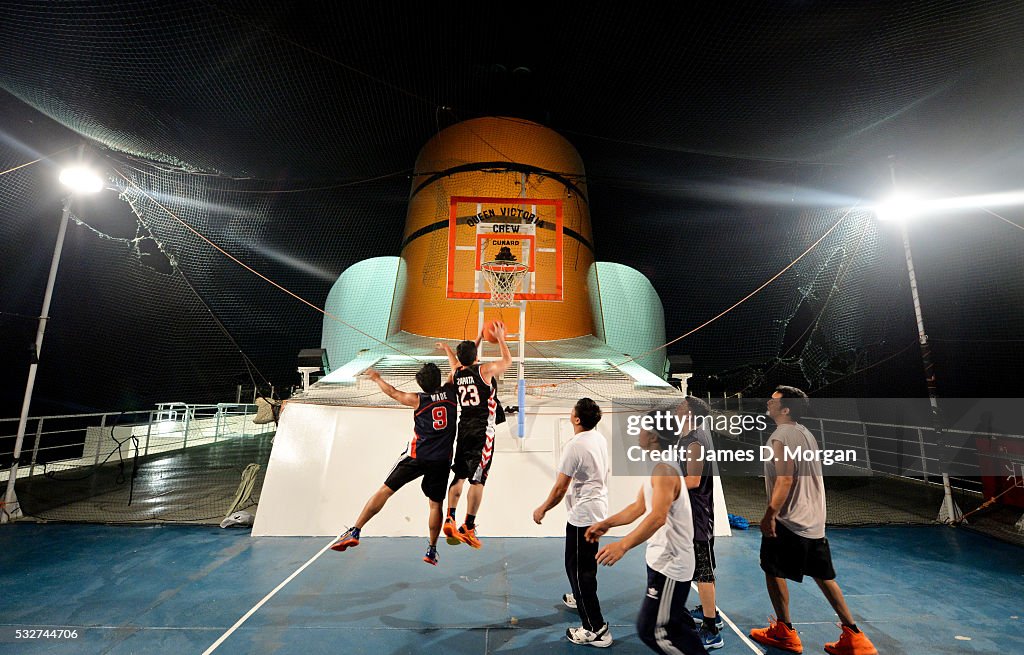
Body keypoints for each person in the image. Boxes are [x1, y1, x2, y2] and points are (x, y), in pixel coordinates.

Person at [750, 386, 877, 655]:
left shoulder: (781, 436)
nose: (768, 403)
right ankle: (855, 636)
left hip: (788, 519)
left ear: (785, 409)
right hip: (813, 519)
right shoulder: (804, 433)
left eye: (773, 401)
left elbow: (786, 478)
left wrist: (770, 514)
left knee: (772, 569)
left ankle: (785, 632)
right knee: (823, 575)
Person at [585, 412, 704, 654]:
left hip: (672, 565)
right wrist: (607, 524)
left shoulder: (665, 471)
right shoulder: (658, 465)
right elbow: (639, 507)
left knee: (652, 630)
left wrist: (623, 545)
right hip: (661, 561)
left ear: (652, 436)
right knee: (677, 626)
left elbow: (657, 517)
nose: (638, 432)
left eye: (642, 429)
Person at [329, 363, 457, 566]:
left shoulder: (417, 399)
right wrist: (452, 350)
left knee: (385, 490)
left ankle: (355, 530)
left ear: (420, 384)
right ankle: (432, 550)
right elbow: (456, 368)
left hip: (417, 456)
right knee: (435, 505)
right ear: (439, 379)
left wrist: (377, 378)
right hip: (441, 460)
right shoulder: (451, 392)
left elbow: (392, 392)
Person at [533, 398, 611, 647]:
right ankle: (580, 598)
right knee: (584, 565)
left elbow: (559, 488)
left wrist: (542, 509)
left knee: (579, 570)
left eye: (573, 410)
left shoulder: (575, 446)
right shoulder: (597, 438)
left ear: (577, 419)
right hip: (597, 510)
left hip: (583, 517)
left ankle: (595, 628)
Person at [436, 322, 513, 548]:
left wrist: (452, 349)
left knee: (459, 475)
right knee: (478, 478)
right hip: (483, 431)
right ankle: (468, 526)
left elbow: (460, 359)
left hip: (464, 428)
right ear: (476, 356)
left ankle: (450, 516)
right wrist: (499, 338)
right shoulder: (484, 370)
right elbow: (507, 362)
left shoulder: (457, 373)